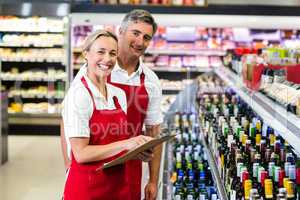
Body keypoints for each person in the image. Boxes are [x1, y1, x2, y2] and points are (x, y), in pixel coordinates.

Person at [61, 9, 163, 200]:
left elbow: (153, 130)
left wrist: (152, 180)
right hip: (90, 166)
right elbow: (66, 123)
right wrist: (69, 166)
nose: (140, 41)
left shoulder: (150, 80)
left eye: (146, 37)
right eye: (135, 33)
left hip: (129, 164)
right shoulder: (94, 71)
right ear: (121, 31)